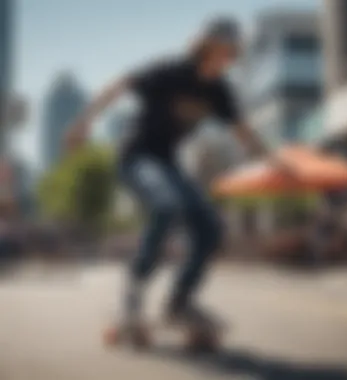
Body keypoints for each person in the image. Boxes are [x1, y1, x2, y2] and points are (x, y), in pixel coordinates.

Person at [66, 17, 294, 344]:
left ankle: (179, 303)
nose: (229, 62)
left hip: (168, 164)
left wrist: (274, 160)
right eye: (225, 54)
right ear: (207, 48)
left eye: (233, 56)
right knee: (167, 206)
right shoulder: (170, 71)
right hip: (136, 157)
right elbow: (118, 86)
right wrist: (82, 123)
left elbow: (243, 131)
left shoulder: (219, 90)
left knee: (210, 227)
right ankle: (133, 296)